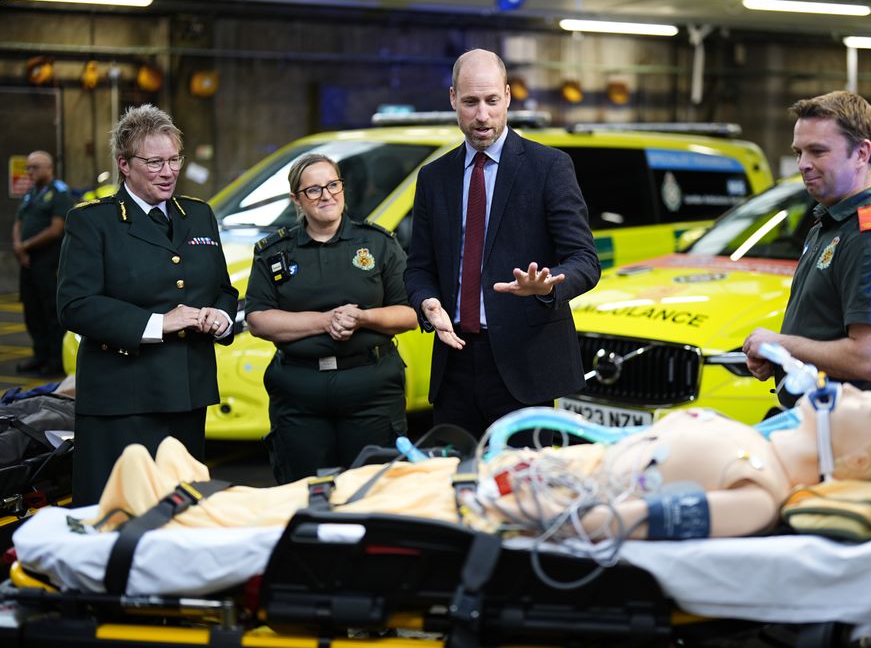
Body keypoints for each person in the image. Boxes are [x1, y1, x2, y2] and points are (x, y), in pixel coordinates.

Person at [92, 384, 871, 543]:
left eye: (866, 404)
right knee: (340, 486)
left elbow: (616, 527)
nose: (847, 392)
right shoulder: (753, 445)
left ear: (850, 456)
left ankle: (179, 511)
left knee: (332, 512)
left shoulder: (757, 492)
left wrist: (527, 504)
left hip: (493, 512)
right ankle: (186, 490)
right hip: (489, 484)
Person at [404, 48, 601, 438]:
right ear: (452, 99)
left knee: (523, 491)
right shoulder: (434, 177)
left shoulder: (549, 167)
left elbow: (584, 260)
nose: (482, 115)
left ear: (508, 97)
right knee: (456, 484)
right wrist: (427, 304)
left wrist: (548, 286)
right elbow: (419, 267)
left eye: (492, 101)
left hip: (525, 367)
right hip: (454, 363)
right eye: (471, 102)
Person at [56, 104, 237, 505]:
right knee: (117, 516)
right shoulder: (93, 222)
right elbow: (75, 305)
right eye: (155, 162)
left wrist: (221, 317)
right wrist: (159, 323)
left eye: (174, 159)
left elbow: (222, 289)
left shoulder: (199, 215)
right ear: (124, 164)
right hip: (122, 401)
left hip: (188, 395)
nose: (169, 171)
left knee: (181, 514)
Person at [245, 154, 417, 484]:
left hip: (371, 389)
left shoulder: (378, 243)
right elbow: (258, 320)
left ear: (343, 187)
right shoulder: (274, 252)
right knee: (302, 491)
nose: (326, 195)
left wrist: (363, 317)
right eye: (313, 190)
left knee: (372, 490)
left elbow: (409, 313)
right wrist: (325, 321)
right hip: (299, 392)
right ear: (296, 199)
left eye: (333, 185)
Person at [742, 91, 871, 408]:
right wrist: (777, 355)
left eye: (817, 151)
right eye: (799, 152)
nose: (803, 164)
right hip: (821, 422)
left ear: (862, 153)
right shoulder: (831, 223)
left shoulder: (870, 239)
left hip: (846, 433)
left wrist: (783, 344)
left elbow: (869, 359)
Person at [12, 151, 74, 376]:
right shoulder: (30, 193)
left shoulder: (59, 193)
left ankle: (54, 361)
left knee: (50, 312)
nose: (30, 172)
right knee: (32, 311)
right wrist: (19, 246)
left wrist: (25, 246)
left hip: (48, 262)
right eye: (28, 167)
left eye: (35, 167)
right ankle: (39, 356)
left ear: (49, 168)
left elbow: (56, 229)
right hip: (28, 262)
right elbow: (19, 221)